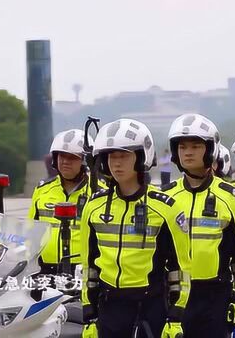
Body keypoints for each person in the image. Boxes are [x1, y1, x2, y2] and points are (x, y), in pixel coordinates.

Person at [80, 118, 191, 338]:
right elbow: (89, 264)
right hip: (109, 305)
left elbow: (181, 268)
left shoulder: (166, 207)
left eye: (124, 155)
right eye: (111, 156)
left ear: (141, 157)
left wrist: (176, 316)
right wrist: (89, 314)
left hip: (150, 307)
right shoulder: (93, 206)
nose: (116, 163)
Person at [164, 114, 235, 337]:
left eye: (195, 146)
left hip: (214, 295)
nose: (188, 152)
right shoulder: (164, 196)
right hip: (172, 294)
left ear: (210, 150)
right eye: (182, 146)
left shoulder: (231, 196)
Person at [28, 129, 103, 276]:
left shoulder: (100, 192)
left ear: (85, 161)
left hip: (84, 270)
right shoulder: (42, 190)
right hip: (44, 269)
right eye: (61, 156)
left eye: (72, 157)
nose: (65, 161)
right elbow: (30, 230)